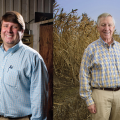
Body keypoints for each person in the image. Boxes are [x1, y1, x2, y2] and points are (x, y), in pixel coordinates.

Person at [0, 11, 49, 120]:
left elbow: (39, 97)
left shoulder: (33, 58)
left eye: (14, 27)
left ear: (22, 31)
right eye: (6, 26)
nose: (9, 30)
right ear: (1, 30)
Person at [79, 13, 120, 120]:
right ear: (97, 27)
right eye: (103, 25)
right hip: (100, 95)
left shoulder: (119, 48)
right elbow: (83, 75)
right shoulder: (91, 49)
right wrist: (89, 100)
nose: (107, 28)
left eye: (109, 25)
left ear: (114, 27)